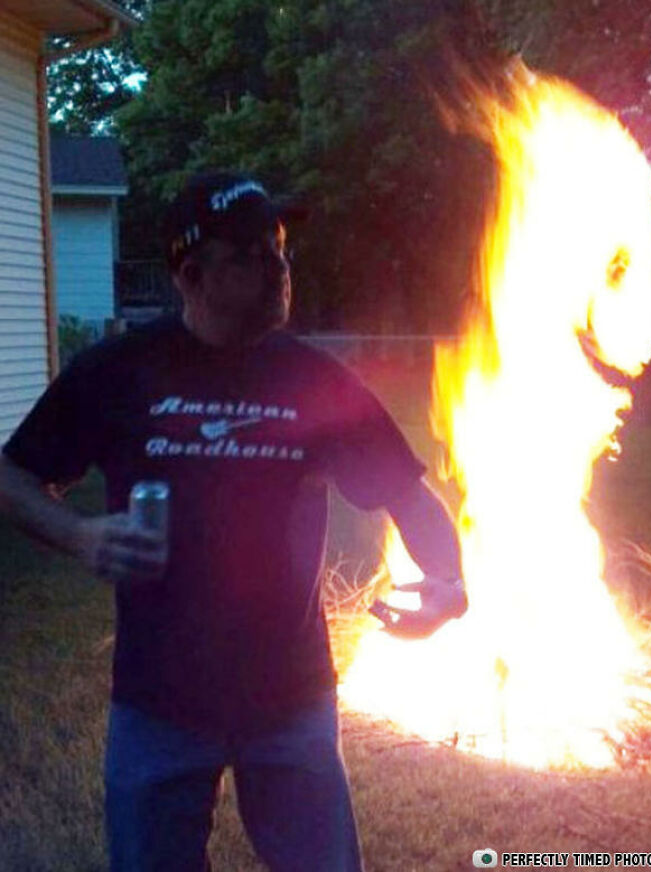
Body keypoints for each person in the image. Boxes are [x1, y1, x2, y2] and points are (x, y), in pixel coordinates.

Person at [0, 171, 467, 872]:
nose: (280, 268)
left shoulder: (314, 379)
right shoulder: (118, 371)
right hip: (158, 703)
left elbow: (409, 496)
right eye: (252, 252)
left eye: (281, 249)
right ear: (191, 273)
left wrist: (448, 579)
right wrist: (78, 534)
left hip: (291, 702)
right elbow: (11, 474)